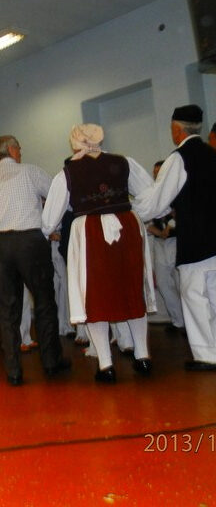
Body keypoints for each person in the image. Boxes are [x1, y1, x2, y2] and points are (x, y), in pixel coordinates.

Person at [42, 123, 156, 383]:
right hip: (127, 228)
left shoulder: (68, 173)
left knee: (94, 295)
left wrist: (47, 229)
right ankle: (143, 356)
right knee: (131, 287)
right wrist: (133, 212)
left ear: (75, 143)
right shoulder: (123, 162)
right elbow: (150, 193)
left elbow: (49, 220)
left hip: (89, 232)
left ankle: (106, 365)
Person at [0, 135, 69, 386]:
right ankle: (51, 362)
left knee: (7, 309)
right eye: (19, 149)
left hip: (2, 245)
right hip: (31, 241)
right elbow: (58, 196)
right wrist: (50, 226)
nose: (21, 152)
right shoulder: (30, 172)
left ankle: (13, 370)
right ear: (12, 150)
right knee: (44, 302)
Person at [134, 104, 216, 371]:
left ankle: (207, 355)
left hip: (195, 239)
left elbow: (158, 201)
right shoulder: (211, 153)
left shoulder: (179, 158)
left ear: (176, 130)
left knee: (194, 296)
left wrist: (136, 211)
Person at [145, 161, 185, 332]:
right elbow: (147, 220)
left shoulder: (177, 190)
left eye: (160, 171)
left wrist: (171, 224)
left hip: (177, 242)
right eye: (155, 172)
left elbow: (182, 213)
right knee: (162, 283)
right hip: (160, 243)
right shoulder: (151, 194)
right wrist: (159, 232)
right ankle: (178, 321)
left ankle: (190, 322)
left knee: (182, 283)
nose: (157, 175)